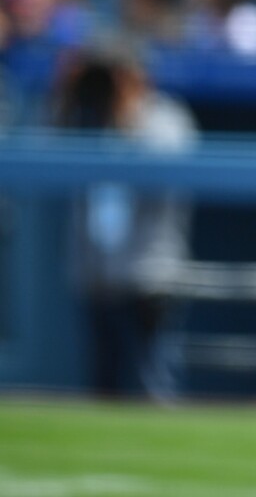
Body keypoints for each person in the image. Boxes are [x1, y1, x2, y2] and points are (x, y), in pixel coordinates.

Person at [51, 39, 198, 400]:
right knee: (103, 388)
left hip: (148, 273)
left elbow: (164, 170)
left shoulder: (166, 117)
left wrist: (127, 114)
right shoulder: (84, 118)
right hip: (95, 273)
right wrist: (66, 90)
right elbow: (49, 145)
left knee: (153, 384)